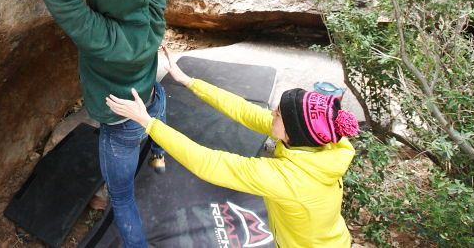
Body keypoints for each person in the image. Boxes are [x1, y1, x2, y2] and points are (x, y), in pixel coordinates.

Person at [41, 0, 171, 248]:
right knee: (157, 106)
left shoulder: (100, 36)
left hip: (118, 127)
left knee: (121, 197)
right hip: (148, 98)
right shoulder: (152, 11)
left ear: (95, 2)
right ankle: (158, 152)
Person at [106, 45, 361, 248]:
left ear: (294, 132)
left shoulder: (289, 178)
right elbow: (244, 110)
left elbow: (208, 163)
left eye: (279, 114)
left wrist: (148, 122)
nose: (272, 112)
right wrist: (189, 81)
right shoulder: (325, 140)